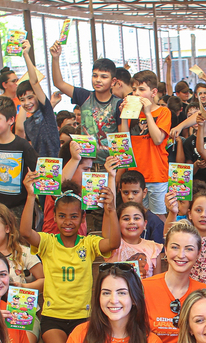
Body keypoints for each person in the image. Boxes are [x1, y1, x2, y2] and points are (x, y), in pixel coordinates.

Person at [20, 170, 119, 343]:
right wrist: (31, 196)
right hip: (53, 318)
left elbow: (113, 243)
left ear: (82, 218)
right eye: (62, 216)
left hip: (84, 319)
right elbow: (25, 233)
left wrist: (111, 209)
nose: (68, 221)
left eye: (74, 216)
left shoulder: (88, 244)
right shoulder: (47, 242)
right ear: (54, 216)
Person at [0, 203, 45, 343]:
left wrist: (23, 286)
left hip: (21, 310)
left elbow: (44, 280)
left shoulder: (24, 253)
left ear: (7, 228)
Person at [142, 221, 206, 343]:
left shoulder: (203, 292)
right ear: (165, 249)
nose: (181, 255)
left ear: (198, 253)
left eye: (189, 249)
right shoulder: (145, 288)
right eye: (175, 247)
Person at [51, 45, 128, 160]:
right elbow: (59, 83)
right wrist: (55, 58)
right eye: (95, 75)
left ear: (113, 81)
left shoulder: (118, 104)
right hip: (86, 163)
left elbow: (123, 139)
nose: (98, 80)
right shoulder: (84, 96)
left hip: (109, 164)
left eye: (104, 77)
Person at [119, 70, 172, 215]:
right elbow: (123, 141)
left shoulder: (163, 112)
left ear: (153, 92)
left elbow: (157, 139)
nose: (136, 93)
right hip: (135, 177)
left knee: (158, 216)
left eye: (141, 89)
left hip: (156, 175)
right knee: (137, 215)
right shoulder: (132, 113)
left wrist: (148, 113)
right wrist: (124, 116)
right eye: (134, 89)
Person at [14, 40, 60, 161]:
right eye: (22, 100)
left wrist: (26, 55)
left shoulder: (46, 112)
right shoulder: (27, 123)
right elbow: (19, 129)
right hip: (39, 167)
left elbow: (34, 82)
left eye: (30, 97)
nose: (27, 103)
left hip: (56, 164)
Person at [107, 201, 163, 278]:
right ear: (117, 224)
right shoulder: (113, 245)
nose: (132, 222)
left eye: (136, 218)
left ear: (145, 224)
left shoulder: (154, 248)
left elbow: (157, 280)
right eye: (126, 219)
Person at [118, 169, 166, 244]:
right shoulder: (116, 217)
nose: (130, 197)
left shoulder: (154, 222)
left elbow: (160, 252)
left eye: (135, 192)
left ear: (144, 193)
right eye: (126, 192)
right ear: (120, 192)